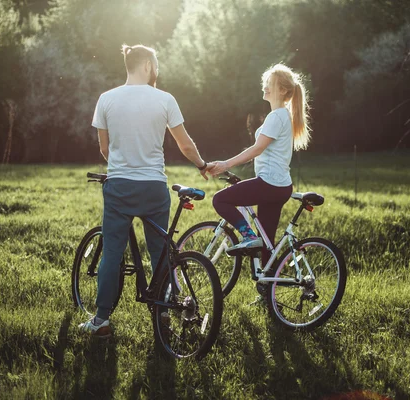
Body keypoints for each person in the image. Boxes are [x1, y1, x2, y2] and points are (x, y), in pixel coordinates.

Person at [79, 44, 211, 337]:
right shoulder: (165, 99)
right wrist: (202, 165)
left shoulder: (106, 99)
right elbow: (185, 144)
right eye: (157, 64)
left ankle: (101, 321)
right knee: (159, 251)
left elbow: (104, 148)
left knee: (112, 252)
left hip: (120, 188)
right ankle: (163, 309)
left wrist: (122, 165)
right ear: (148, 66)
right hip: (154, 188)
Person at [208, 63, 311, 267]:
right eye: (265, 82)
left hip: (270, 184)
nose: (264, 86)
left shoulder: (277, 116)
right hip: (279, 186)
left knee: (220, 200)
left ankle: (247, 236)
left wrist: (225, 164)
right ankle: (267, 292)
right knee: (267, 244)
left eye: (269, 83)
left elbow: (257, 149)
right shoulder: (283, 116)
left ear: (282, 90)